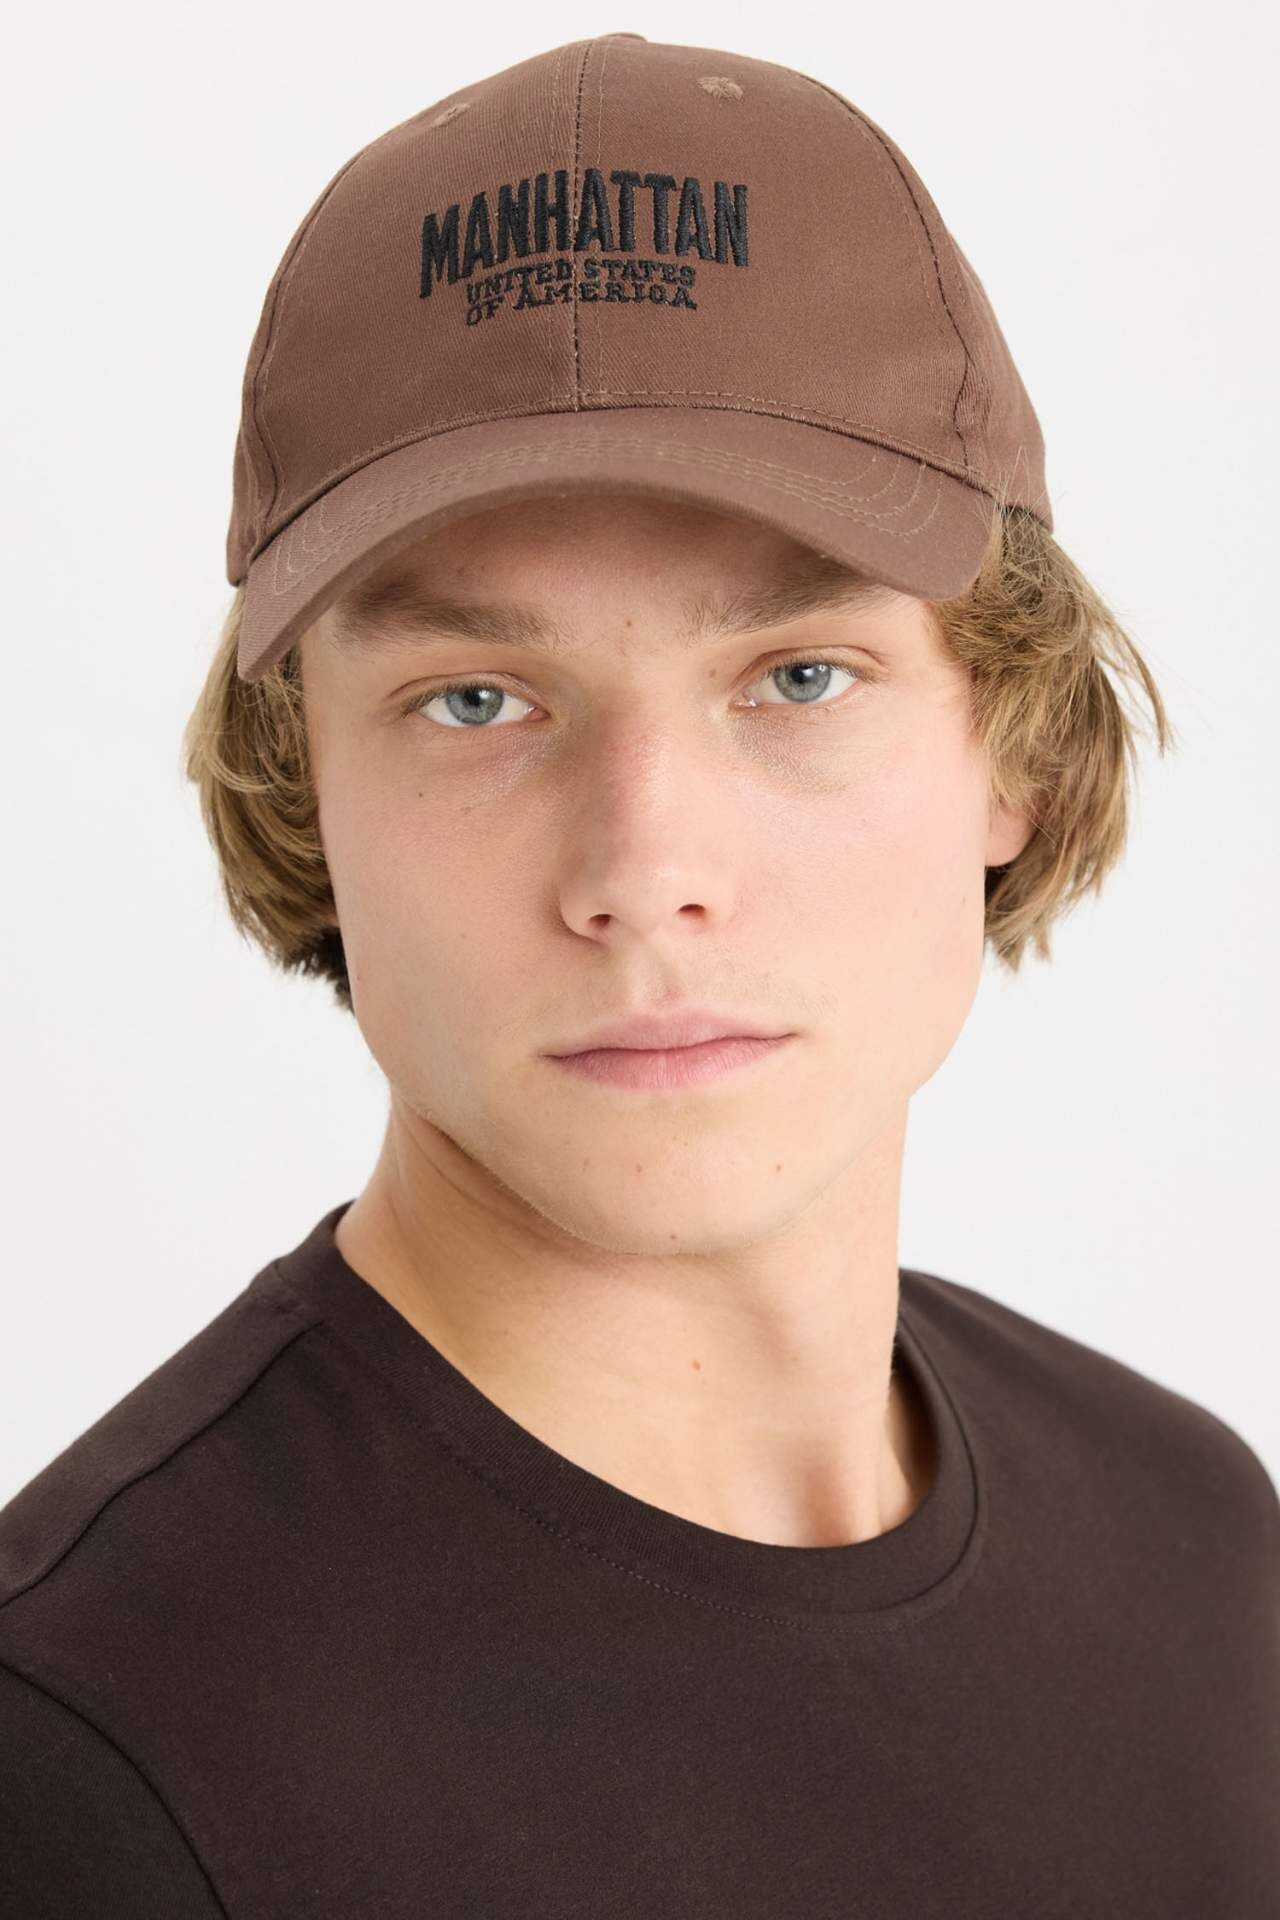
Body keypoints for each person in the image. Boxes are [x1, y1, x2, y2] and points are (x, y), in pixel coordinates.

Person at [2, 32, 1276, 1918]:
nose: (644, 872)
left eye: (799, 678)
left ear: (1010, 740)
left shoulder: (1199, 1545)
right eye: (476, 700)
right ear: (306, 788)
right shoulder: (84, 1764)